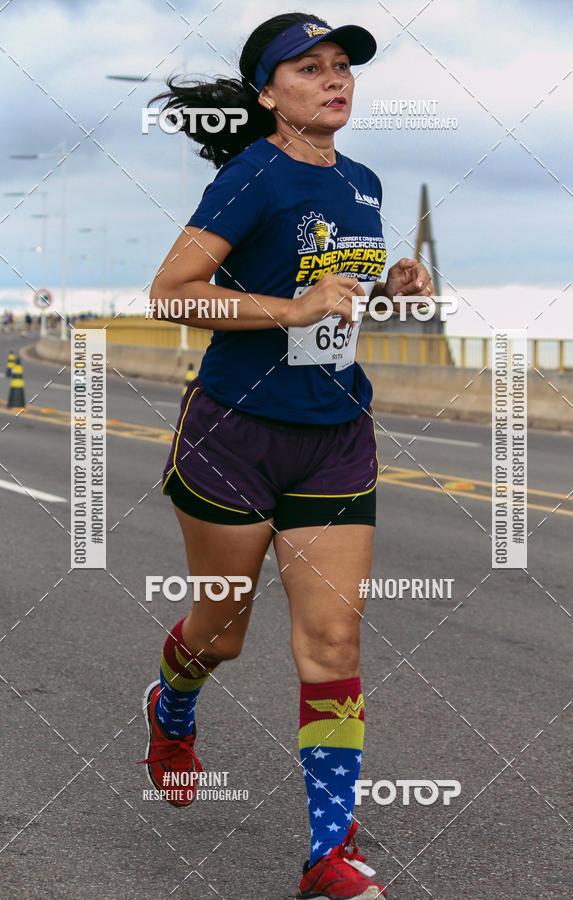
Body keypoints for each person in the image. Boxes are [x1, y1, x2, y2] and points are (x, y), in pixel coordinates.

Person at [142, 12, 433, 899]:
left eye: (341, 65)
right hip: (237, 430)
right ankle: (173, 707)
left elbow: (336, 299)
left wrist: (389, 291)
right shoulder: (250, 176)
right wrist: (292, 307)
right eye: (308, 68)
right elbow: (170, 297)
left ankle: (327, 856)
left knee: (333, 638)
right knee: (221, 635)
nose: (334, 79)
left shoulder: (367, 182)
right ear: (270, 94)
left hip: (336, 435)